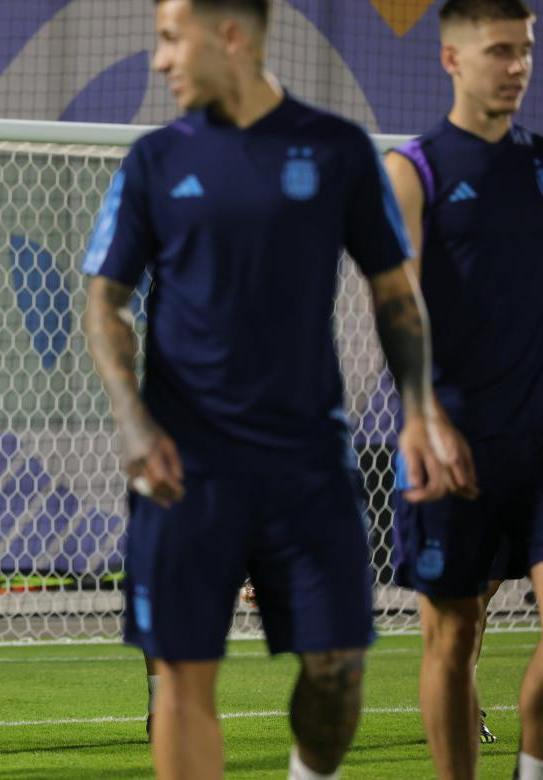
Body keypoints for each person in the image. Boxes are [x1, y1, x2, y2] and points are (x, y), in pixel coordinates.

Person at [81, 1, 475, 778]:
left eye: (170, 39)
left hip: (309, 466)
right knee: (182, 676)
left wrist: (421, 410)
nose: (160, 61)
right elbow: (104, 302)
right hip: (184, 472)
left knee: (338, 671)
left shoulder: (334, 150)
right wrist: (131, 418)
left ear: (230, 37)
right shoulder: (155, 160)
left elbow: (396, 293)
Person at [383, 1, 542, 775]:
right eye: (500, 51)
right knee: (455, 637)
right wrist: (419, 415)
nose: (517, 66)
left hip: (542, 436)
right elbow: (396, 299)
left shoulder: (541, 164)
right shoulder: (414, 169)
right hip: (454, 443)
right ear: (451, 59)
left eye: (527, 50)